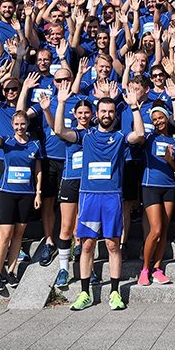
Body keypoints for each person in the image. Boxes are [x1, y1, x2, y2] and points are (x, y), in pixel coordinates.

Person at [54, 82, 145, 311]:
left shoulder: (120, 137)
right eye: (103, 111)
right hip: (89, 197)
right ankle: (84, 293)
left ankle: (114, 292)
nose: (107, 115)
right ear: (97, 114)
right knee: (86, 246)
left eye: (111, 112)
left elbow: (140, 134)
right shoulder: (86, 136)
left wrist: (134, 107)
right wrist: (62, 103)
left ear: (115, 115)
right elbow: (59, 131)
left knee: (114, 246)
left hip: (112, 197)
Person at [38, 92, 93, 289]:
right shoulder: (70, 133)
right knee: (66, 227)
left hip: (90, 184)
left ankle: (89, 269)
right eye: (80, 112)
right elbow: (57, 128)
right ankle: (63, 270)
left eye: (87, 112)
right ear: (75, 114)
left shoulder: (95, 133)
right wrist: (57, 104)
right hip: (70, 181)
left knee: (87, 228)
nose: (84, 116)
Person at [0, 106, 42, 290]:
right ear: (12, 125)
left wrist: (38, 192)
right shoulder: (7, 142)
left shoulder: (35, 144)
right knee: (5, 234)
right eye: (16, 124)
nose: (20, 127)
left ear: (27, 124)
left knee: (19, 234)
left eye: (23, 124)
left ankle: (11, 271)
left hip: (26, 194)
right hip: (8, 193)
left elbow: (38, 170)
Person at [133, 102, 175, 286]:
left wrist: (170, 161)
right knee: (155, 230)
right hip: (150, 186)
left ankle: (158, 269)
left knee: (163, 230)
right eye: (154, 119)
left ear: (167, 118)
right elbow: (136, 136)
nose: (158, 122)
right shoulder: (148, 138)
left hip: (169, 186)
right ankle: (145, 269)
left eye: (160, 118)